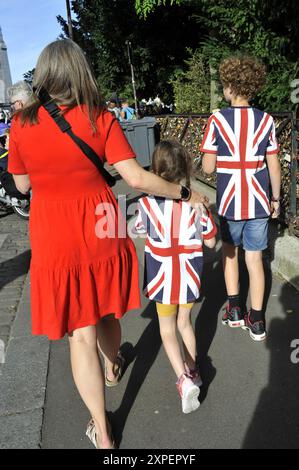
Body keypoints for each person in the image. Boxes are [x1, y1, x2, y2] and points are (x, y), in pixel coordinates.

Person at [8, 39, 208, 449]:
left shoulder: (22, 125)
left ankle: (102, 430)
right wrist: (183, 193)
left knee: (79, 334)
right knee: (105, 308)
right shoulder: (100, 117)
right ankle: (113, 365)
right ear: (80, 71)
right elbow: (135, 178)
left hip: (53, 231)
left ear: (44, 74)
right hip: (103, 221)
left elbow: (23, 186)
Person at [201, 55, 281, 342]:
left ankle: (234, 309)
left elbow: (208, 167)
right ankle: (257, 320)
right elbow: (273, 164)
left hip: (229, 202)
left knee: (230, 254)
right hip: (259, 202)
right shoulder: (266, 120)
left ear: (230, 88)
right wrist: (275, 198)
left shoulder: (217, 119)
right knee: (256, 260)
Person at [134, 140, 217, 414]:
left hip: (162, 278)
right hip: (189, 276)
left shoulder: (146, 205)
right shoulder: (197, 205)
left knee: (166, 329)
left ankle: (183, 380)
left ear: (155, 169)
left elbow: (139, 230)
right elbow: (211, 243)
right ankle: (194, 371)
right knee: (185, 323)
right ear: (186, 169)